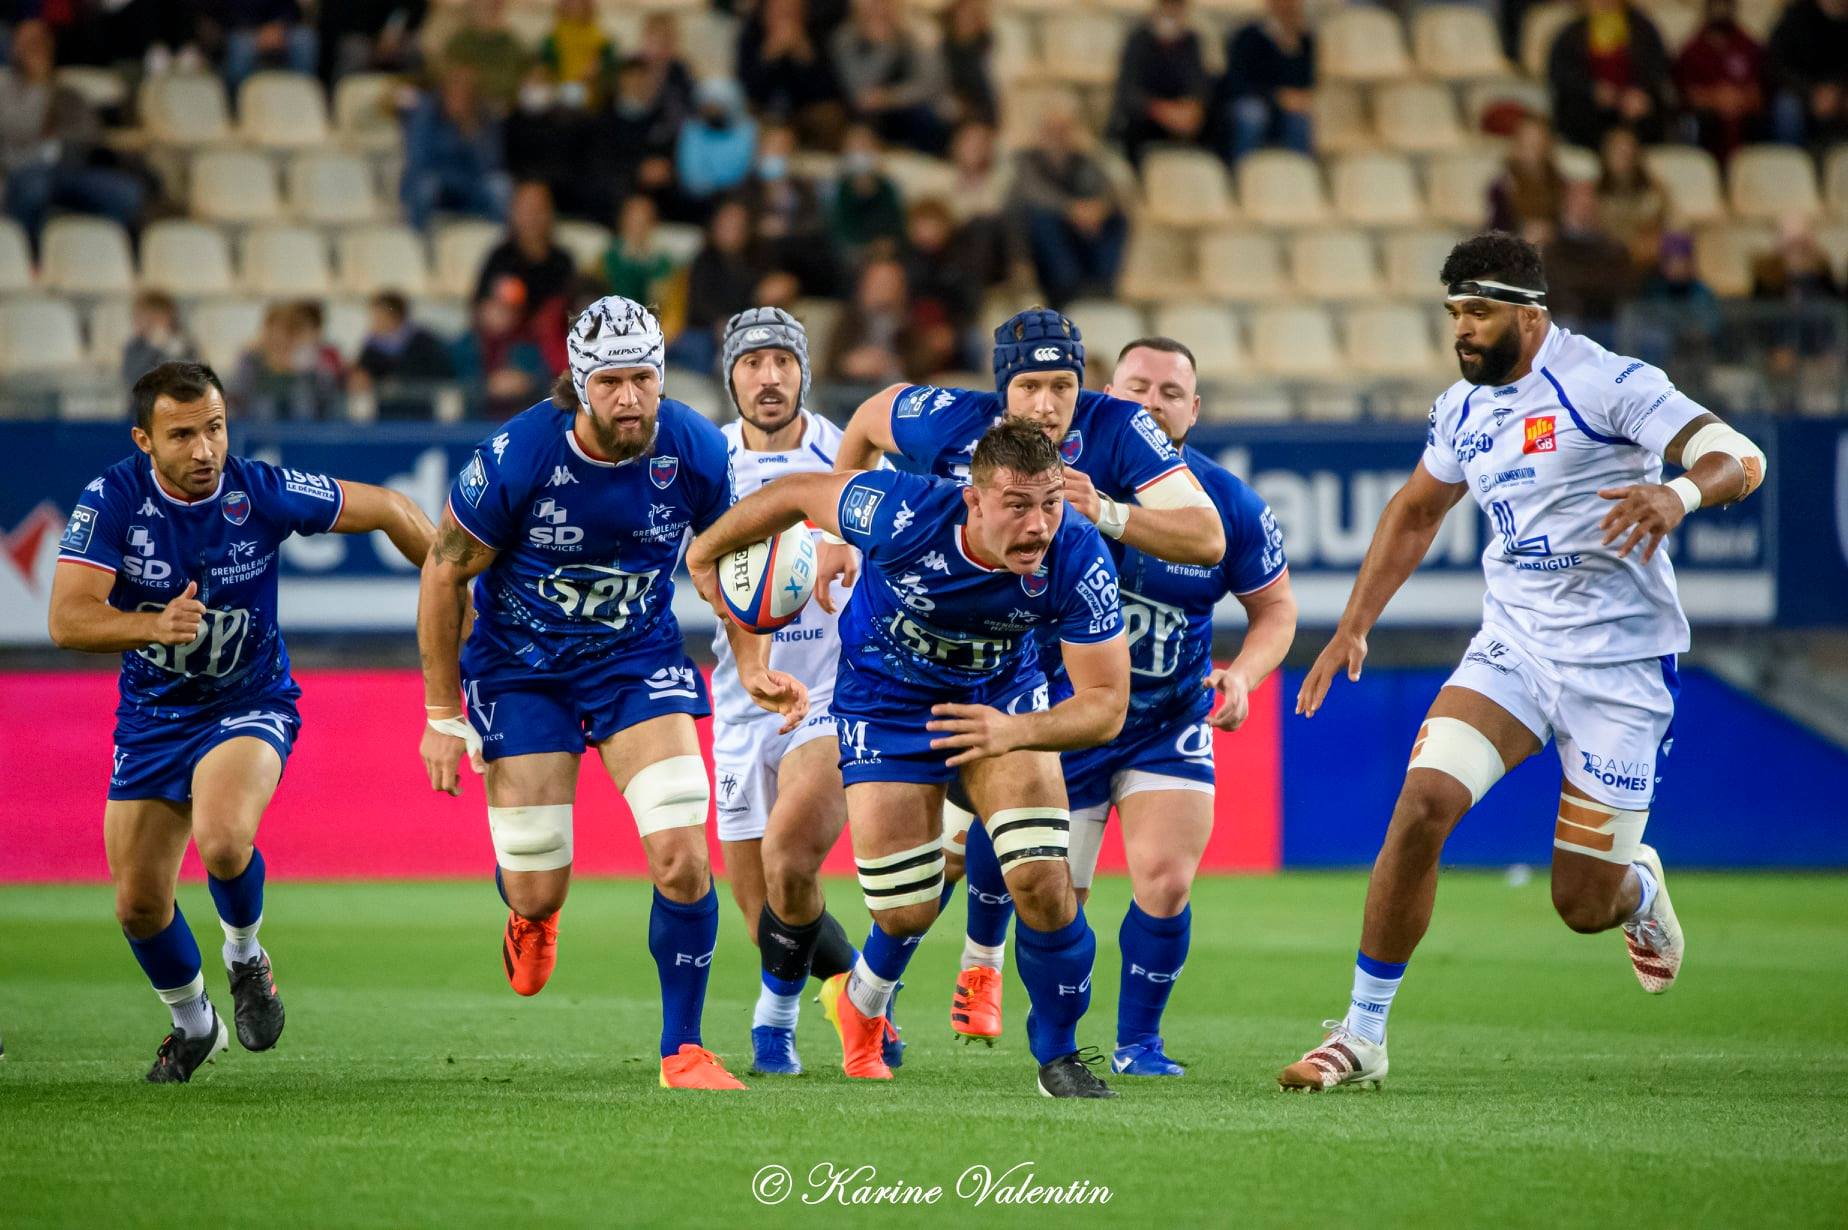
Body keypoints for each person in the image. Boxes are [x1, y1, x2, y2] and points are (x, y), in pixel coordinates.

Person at [1278, 232, 1768, 1091]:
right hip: (1516, 646)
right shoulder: (1461, 409)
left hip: (1620, 669)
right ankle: (1361, 1034)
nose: (1462, 330)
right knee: (1424, 801)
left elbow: (1742, 456)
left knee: (1583, 904)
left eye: (1479, 312)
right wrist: (1354, 625)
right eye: (1455, 313)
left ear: (1531, 317)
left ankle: (1639, 893)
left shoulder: (1608, 382)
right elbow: (1417, 510)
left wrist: (1678, 491)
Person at [416, 297, 806, 1090]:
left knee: (682, 858)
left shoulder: (693, 447)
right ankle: (531, 915)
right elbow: (445, 569)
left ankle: (683, 1049)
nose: (629, 398)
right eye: (611, 382)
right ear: (578, 382)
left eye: (643, 379)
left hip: (636, 660)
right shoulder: (520, 454)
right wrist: (440, 715)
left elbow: (736, 566)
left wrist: (755, 661)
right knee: (536, 877)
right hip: (523, 668)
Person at [686, 418, 1131, 1097]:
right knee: (905, 909)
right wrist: (705, 554)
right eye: (1018, 505)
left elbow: (1106, 703)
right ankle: (859, 998)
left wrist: (1016, 732)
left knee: (1043, 880)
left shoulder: (1077, 551)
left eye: (1049, 502)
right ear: (972, 501)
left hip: (1001, 699)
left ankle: (1060, 1054)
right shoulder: (900, 512)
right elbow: (800, 492)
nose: (1040, 524)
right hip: (885, 707)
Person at [825, 308, 1225, 1046]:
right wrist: (834, 538)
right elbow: (867, 420)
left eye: (1063, 386)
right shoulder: (945, 418)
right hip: (910, 668)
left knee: (1027, 854)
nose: (1046, 405)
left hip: (1031, 656)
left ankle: (992, 976)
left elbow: (1206, 538)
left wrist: (1101, 509)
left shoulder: (1117, 428)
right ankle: (872, 992)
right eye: (1030, 386)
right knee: (921, 885)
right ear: (1000, 388)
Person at [47, 361, 434, 1083]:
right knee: (138, 906)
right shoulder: (112, 502)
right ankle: (195, 1025)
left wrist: (452, 580)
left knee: (223, 840)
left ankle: (245, 956)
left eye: (216, 429)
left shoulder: (257, 489)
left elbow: (387, 507)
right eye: (183, 434)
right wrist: (151, 625)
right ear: (145, 440)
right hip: (154, 718)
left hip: (248, 701)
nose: (205, 451)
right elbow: (67, 618)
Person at [1065, 337, 1297, 1077]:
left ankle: (1139, 1044)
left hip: (1167, 720)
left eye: (1171, 392)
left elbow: (1277, 610)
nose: (1152, 402)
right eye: (1138, 386)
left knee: (1165, 880)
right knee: (1050, 898)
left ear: (1193, 411)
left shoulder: (1226, 502)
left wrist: (1244, 678)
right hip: (1067, 720)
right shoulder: (1064, 481)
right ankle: (1054, 1042)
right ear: (1106, 393)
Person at [705, 307, 891, 1078]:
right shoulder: (704, 459)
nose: (769, 376)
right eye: (752, 364)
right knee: (762, 913)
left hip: (829, 694)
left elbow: (902, 545)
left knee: (791, 854)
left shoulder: (844, 454)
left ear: (804, 372)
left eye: (783, 361)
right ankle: (852, 989)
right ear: (732, 376)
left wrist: (849, 547)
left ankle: (770, 1027)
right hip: (739, 699)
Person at [0, 20, 147, 248]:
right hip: (24, 170)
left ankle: (100, 254)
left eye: (41, 42)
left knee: (128, 193)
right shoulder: (5, 89)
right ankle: (32, 259)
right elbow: (21, 129)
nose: (36, 49)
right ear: (15, 47)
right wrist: (38, 85)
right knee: (35, 189)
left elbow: (92, 135)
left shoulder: (67, 90)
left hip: (72, 169)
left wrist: (62, 137)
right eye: (29, 43)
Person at [1006, 97, 1130, 308]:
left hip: (1081, 237)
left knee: (1117, 219)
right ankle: (1067, 287)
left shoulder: (1084, 161)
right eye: (1051, 130)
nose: (1057, 137)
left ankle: (1102, 285)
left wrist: (1098, 209)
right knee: (1042, 218)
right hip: (1039, 251)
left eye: (1063, 130)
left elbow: (1110, 192)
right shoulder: (1026, 161)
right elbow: (1032, 193)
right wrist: (1071, 209)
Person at [471, 181, 575, 371]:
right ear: (513, 212)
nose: (532, 217)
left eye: (539, 209)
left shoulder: (562, 261)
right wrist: (491, 313)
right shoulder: (500, 257)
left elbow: (569, 311)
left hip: (545, 347)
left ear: (550, 213)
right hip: (502, 341)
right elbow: (480, 305)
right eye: (526, 209)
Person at [1546, 0, 1674, 148]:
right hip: (1590, 108)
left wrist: (1640, 91)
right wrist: (1592, 90)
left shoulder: (1642, 29)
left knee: (1649, 111)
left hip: (1632, 107)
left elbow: (1658, 67)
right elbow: (1560, 73)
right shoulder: (1572, 33)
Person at [400, 64, 511, 230]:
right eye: (456, 89)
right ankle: (421, 247)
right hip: (438, 186)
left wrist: (470, 133)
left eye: (468, 92)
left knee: (501, 186)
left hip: (471, 189)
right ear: (445, 91)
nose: (461, 96)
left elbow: (490, 166)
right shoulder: (425, 113)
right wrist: (452, 136)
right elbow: (419, 162)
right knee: (425, 186)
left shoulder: (483, 117)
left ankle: (500, 245)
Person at [1109, 0, 1211, 169]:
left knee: (1212, 124)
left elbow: (1199, 84)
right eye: (1168, 7)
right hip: (1146, 117)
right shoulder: (1138, 41)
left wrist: (1193, 108)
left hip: (1181, 115)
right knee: (1131, 128)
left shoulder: (1191, 42)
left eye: (1177, 8)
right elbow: (1128, 92)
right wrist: (1161, 111)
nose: (1172, 13)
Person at [1216, 0, 1314, 164]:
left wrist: (1292, 49)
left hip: (1285, 110)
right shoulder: (1248, 35)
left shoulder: (1304, 41)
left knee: (1300, 119)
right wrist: (1276, 96)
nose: (1289, 5)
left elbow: (1304, 83)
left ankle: (1299, 175)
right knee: (1252, 114)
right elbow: (1236, 82)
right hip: (1252, 101)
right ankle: (1241, 172)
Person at [1673, 0, 1767, 163]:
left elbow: (1760, 91)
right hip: (1707, 122)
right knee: (1694, 123)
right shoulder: (1692, 50)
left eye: (1725, 3)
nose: (1721, 8)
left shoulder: (1749, 46)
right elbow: (1686, 94)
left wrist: (1738, 99)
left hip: (1744, 119)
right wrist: (1716, 98)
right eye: (1716, 4)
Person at [350, 290, 457, 419]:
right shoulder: (370, 348)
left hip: (425, 415)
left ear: (395, 316)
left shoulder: (424, 342)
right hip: (384, 419)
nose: (375, 321)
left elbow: (442, 377)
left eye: (379, 315)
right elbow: (360, 377)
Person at [1766, 0, 1848, 147]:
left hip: (1839, 94)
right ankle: (1790, 163)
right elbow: (1776, 64)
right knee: (1787, 106)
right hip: (1800, 92)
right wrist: (1811, 93)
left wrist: (1839, 92)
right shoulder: (1795, 17)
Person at [121, 291, 198, 387]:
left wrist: (170, 348)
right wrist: (153, 349)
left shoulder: (182, 343)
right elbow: (132, 378)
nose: (149, 324)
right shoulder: (135, 346)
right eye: (143, 319)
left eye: (156, 319)